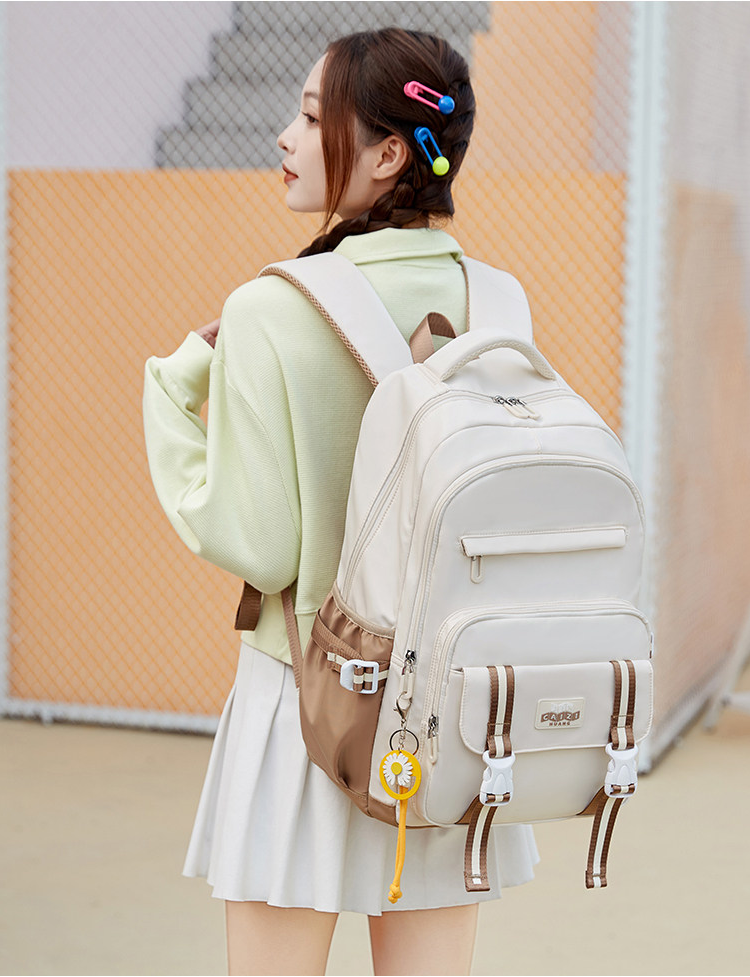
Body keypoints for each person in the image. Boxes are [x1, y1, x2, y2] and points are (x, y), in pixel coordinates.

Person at [143, 27, 538, 977]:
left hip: (304, 701)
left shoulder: (272, 308)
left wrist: (172, 383)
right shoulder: (499, 303)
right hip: (446, 707)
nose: (285, 137)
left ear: (389, 153)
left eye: (313, 116)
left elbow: (261, 546)